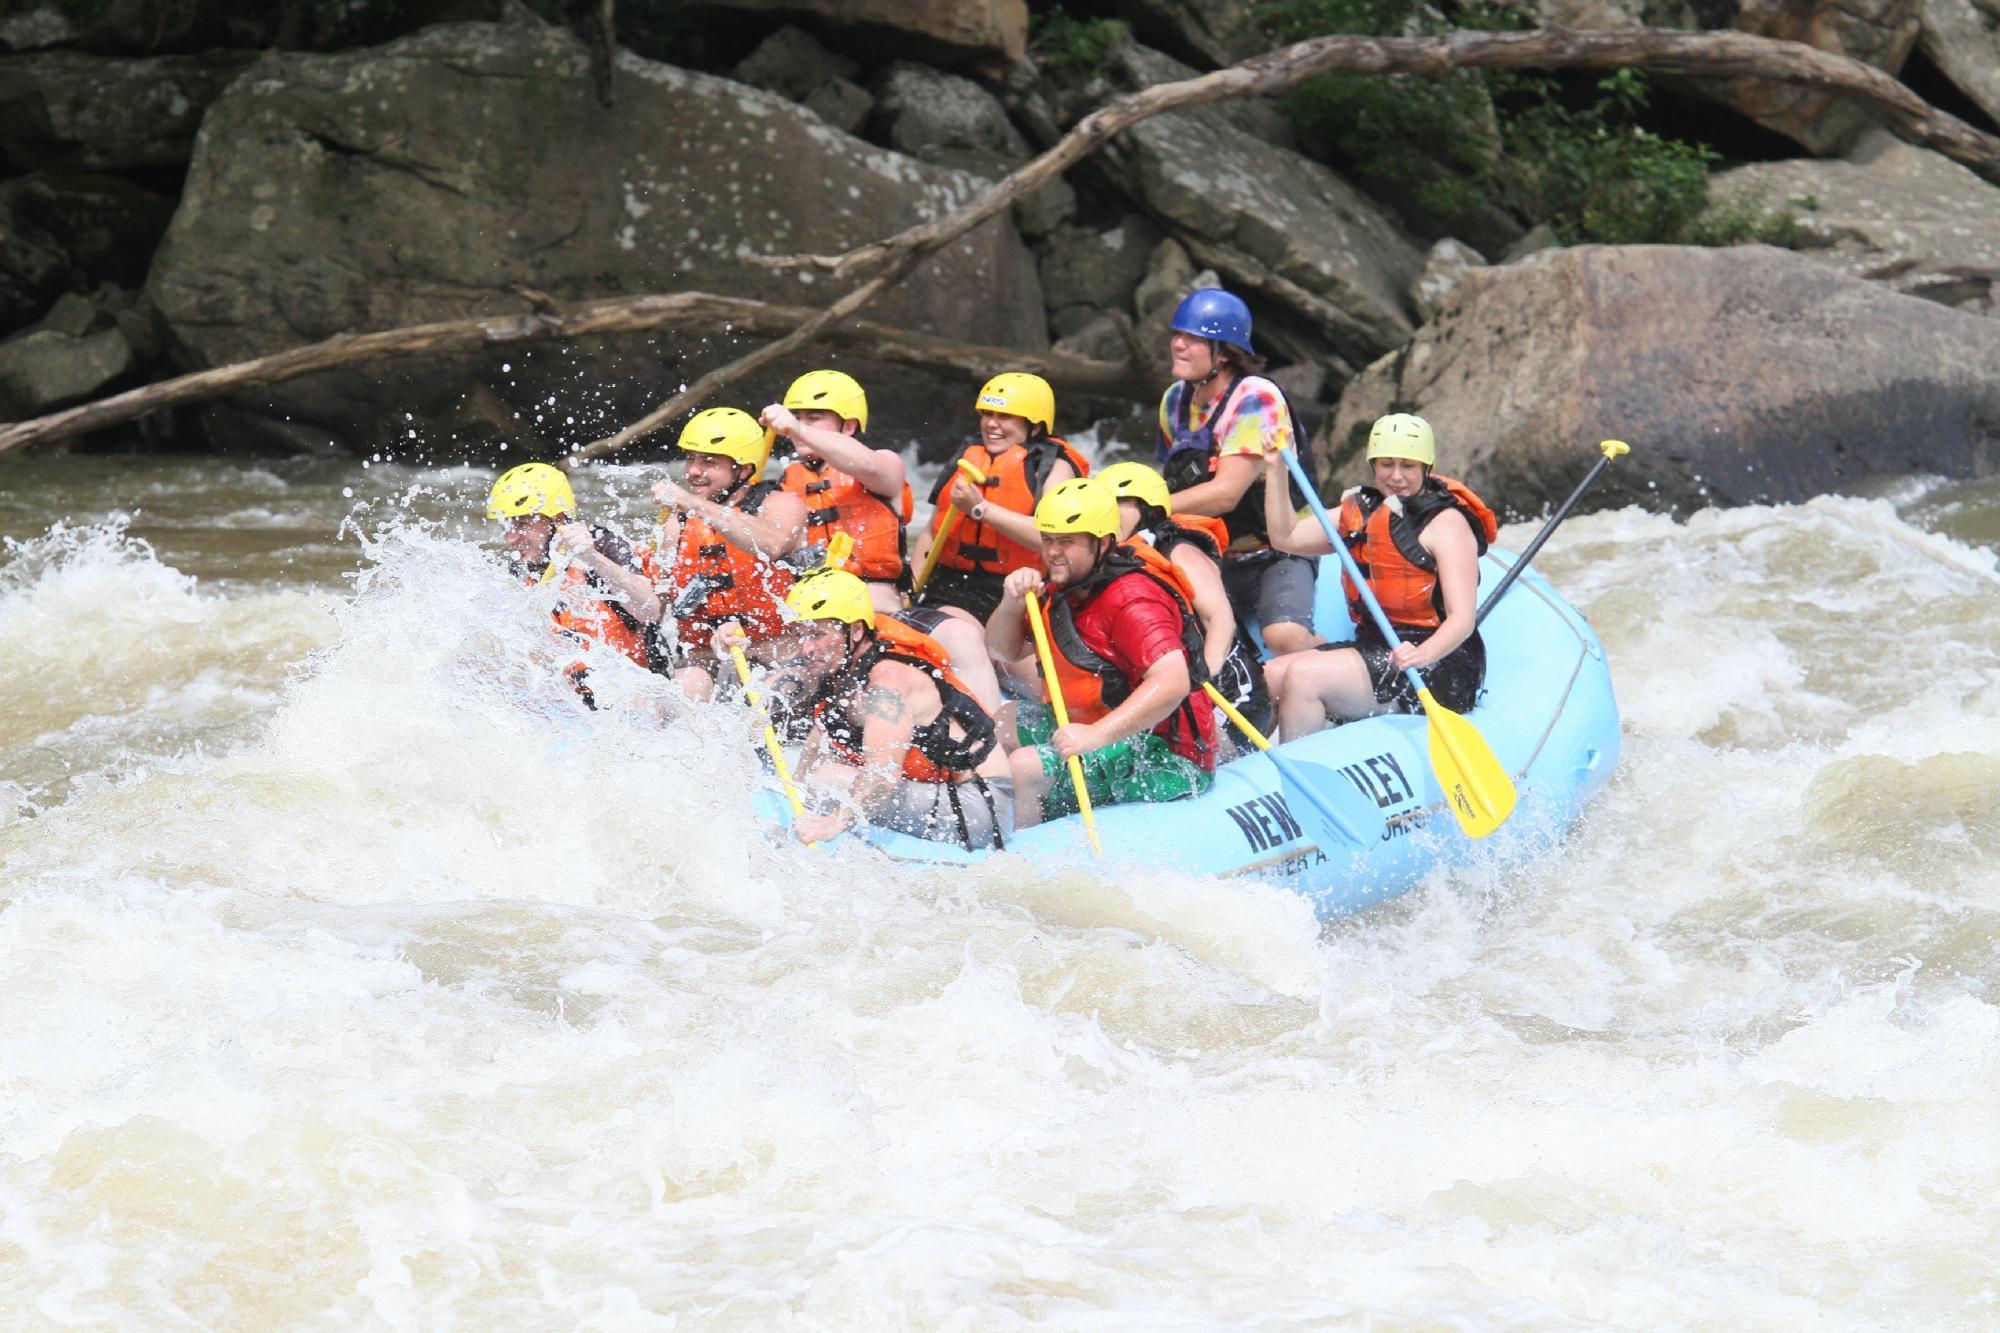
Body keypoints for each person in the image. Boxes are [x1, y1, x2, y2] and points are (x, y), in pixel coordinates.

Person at [985, 477, 1217, 828]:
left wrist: (1096, 736)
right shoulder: (1061, 588)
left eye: (1067, 542)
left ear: (1103, 543)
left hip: (1166, 754)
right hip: (1096, 725)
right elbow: (1001, 649)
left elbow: (1173, 681)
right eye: (1047, 540)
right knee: (1004, 720)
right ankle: (995, 823)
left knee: (1027, 767)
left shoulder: (1134, 601)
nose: (1052, 552)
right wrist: (1010, 603)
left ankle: (1024, 856)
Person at [1261, 413, 1498, 740]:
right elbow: (1285, 537)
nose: (1396, 476)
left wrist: (1423, 654)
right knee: (1271, 675)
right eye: (1386, 464)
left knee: (1303, 676)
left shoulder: (1447, 525)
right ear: (1373, 465)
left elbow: (1462, 619)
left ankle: (1297, 777)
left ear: (1426, 467)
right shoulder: (1362, 513)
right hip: (1378, 647)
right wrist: (1276, 470)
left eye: (1408, 465)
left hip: (1439, 663)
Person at [775, 567, 1013, 849]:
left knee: (828, 778)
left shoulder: (889, 682)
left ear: (855, 630)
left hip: (982, 807)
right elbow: (820, 730)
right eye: (800, 634)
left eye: (817, 634)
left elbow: (883, 774)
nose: (807, 648)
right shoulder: (844, 665)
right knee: (818, 775)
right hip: (941, 790)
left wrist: (835, 823)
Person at [1156, 288, 1324, 658]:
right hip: (1217, 551)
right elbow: (1168, 479)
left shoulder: (1254, 398)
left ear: (1225, 352)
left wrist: (1147, 506)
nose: (1179, 345)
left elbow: (1225, 493)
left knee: (1284, 638)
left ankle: (1337, 664)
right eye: (1178, 334)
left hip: (1279, 548)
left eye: (1195, 339)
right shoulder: (1174, 401)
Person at [1097, 460, 1272, 739]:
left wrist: (1201, 679)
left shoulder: (1179, 551)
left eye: (1114, 503)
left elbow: (1220, 620)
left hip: (1231, 695)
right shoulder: (1112, 561)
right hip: (1172, 690)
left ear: (1148, 508)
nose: (1105, 513)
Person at [651, 406, 807, 702]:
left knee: (775, 693)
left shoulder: (782, 504)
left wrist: (692, 504)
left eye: (709, 462)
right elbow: (658, 601)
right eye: (691, 459)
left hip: (776, 655)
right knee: (684, 689)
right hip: (706, 657)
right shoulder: (679, 522)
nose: (693, 471)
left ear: (744, 470)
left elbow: (771, 543)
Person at [909, 372, 1088, 621]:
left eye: (1005, 417)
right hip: (948, 584)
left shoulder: (1054, 468)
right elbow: (931, 531)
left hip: (1018, 588)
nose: (992, 424)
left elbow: (1056, 538)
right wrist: (911, 589)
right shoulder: (969, 456)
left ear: (1034, 426)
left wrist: (980, 508)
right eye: (988, 415)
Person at [486, 461, 664, 708]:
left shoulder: (603, 545)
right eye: (508, 524)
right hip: (569, 701)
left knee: (639, 699)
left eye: (523, 523)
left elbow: (650, 610)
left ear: (557, 519)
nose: (511, 537)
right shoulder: (519, 570)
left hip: (630, 695)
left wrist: (591, 557)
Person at [762, 369, 914, 617]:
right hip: (809, 610)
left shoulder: (883, 464)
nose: (800, 424)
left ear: (849, 426)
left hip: (876, 605)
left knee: (958, 631)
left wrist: (798, 428)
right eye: (797, 417)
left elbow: (868, 465)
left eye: (814, 417)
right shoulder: (785, 485)